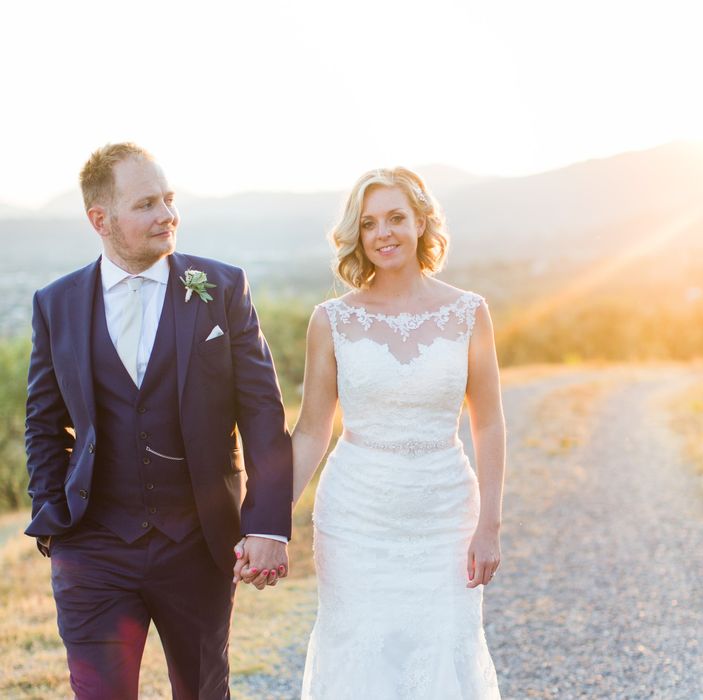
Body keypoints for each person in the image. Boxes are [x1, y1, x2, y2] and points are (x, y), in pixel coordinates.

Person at [24, 142, 293, 699]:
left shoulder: (221, 287)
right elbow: (44, 421)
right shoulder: (57, 304)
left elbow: (263, 411)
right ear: (100, 220)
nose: (167, 215)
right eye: (146, 203)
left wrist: (267, 523)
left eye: (169, 199)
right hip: (93, 545)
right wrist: (51, 515)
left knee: (202, 690)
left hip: (198, 542)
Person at [293, 167, 505, 698]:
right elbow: (312, 431)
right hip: (355, 518)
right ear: (357, 235)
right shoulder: (332, 320)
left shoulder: (468, 312)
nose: (383, 233)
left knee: (441, 652)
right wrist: (267, 521)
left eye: (395, 218)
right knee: (361, 654)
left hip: (444, 516)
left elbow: (489, 422)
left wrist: (490, 526)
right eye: (368, 223)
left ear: (421, 223)